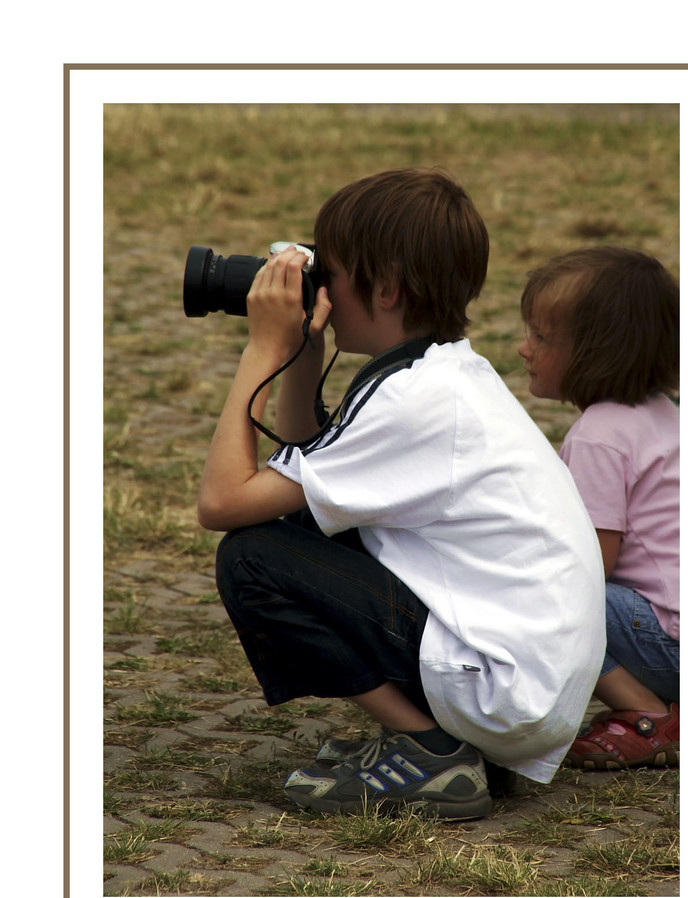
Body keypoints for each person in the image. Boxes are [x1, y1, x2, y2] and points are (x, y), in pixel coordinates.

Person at [198, 168, 606, 819]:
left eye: (330, 272)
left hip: (505, 688)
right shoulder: (435, 372)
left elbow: (221, 503)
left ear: (384, 288)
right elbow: (308, 462)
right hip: (522, 676)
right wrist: (301, 354)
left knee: (252, 556)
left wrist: (260, 348)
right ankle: (437, 735)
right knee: (301, 516)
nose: (319, 287)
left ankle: (430, 751)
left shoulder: (420, 400)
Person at [518, 246, 680, 769]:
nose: (524, 349)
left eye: (541, 337)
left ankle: (648, 713)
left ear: (599, 352)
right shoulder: (664, 414)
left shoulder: (599, 436)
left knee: (549, 595)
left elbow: (590, 568)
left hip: (671, 644)